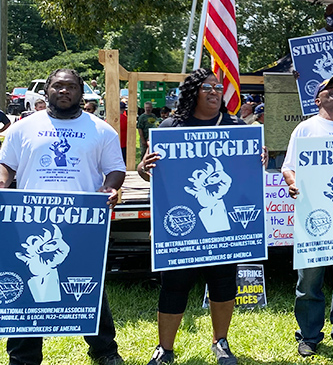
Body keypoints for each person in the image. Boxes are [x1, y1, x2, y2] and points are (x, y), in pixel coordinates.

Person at [0, 68, 126, 365]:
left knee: (88, 285)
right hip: (31, 224)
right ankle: (23, 357)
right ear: (47, 91)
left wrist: (111, 186)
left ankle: (105, 350)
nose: (64, 91)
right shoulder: (23, 128)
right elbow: (6, 165)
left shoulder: (100, 129)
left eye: (71, 87)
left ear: (81, 92)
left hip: (83, 225)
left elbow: (115, 168)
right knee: (27, 290)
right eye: (58, 86)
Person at [138, 69, 258, 365]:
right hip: (181, 225)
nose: (215, 91)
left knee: (223, 282)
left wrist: (259, 157)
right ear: (193, 92)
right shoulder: (170, 127)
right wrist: (144, 167)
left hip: (225, 227)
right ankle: (165, 348)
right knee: (174, 285)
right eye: (208, 87)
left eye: (218, 87)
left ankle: (221, 341)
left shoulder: (235, 125)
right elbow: (148, 173)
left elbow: (245, 173)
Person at [282, 75, 333, 357]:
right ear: (316, 100)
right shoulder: (305, 129)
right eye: (328, 89)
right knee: (309, 281)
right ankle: (308, 334)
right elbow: (288, 168)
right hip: (314, 217)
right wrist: (293, 184)